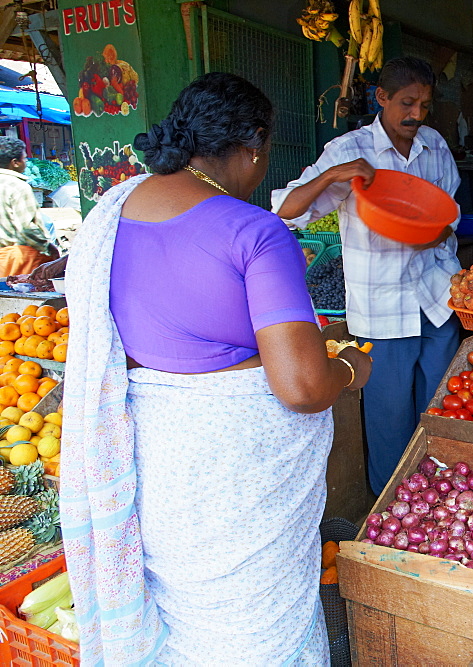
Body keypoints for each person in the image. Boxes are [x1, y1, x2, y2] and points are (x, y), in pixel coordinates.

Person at [62, 72, 372, 665]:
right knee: (254, 622)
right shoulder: (253, 230)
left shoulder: (115, 213)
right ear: (254, 143)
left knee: (185, 610)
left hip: (160, 460)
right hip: (236, 479)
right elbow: (303, 387)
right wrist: (352, 368)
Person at [272, 56, 461, 495]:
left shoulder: (434, 145)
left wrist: (434, 235)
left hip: (436, 299)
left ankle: (441, 504)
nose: (416, 115)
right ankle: (392, 509)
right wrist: (335, 176)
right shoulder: (348, 151)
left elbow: (450, 215)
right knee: (389, 421)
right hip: (383, 309)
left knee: (440, 410)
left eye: (424, 105)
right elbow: (284, 212)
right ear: (382, 98)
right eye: (407, 103)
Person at [0, 136, 58, 276]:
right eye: (25, 159)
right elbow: (26, 228)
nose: (26, 162)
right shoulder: (18, 186)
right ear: (15, 162)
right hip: (16, 258)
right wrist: (48, 247)